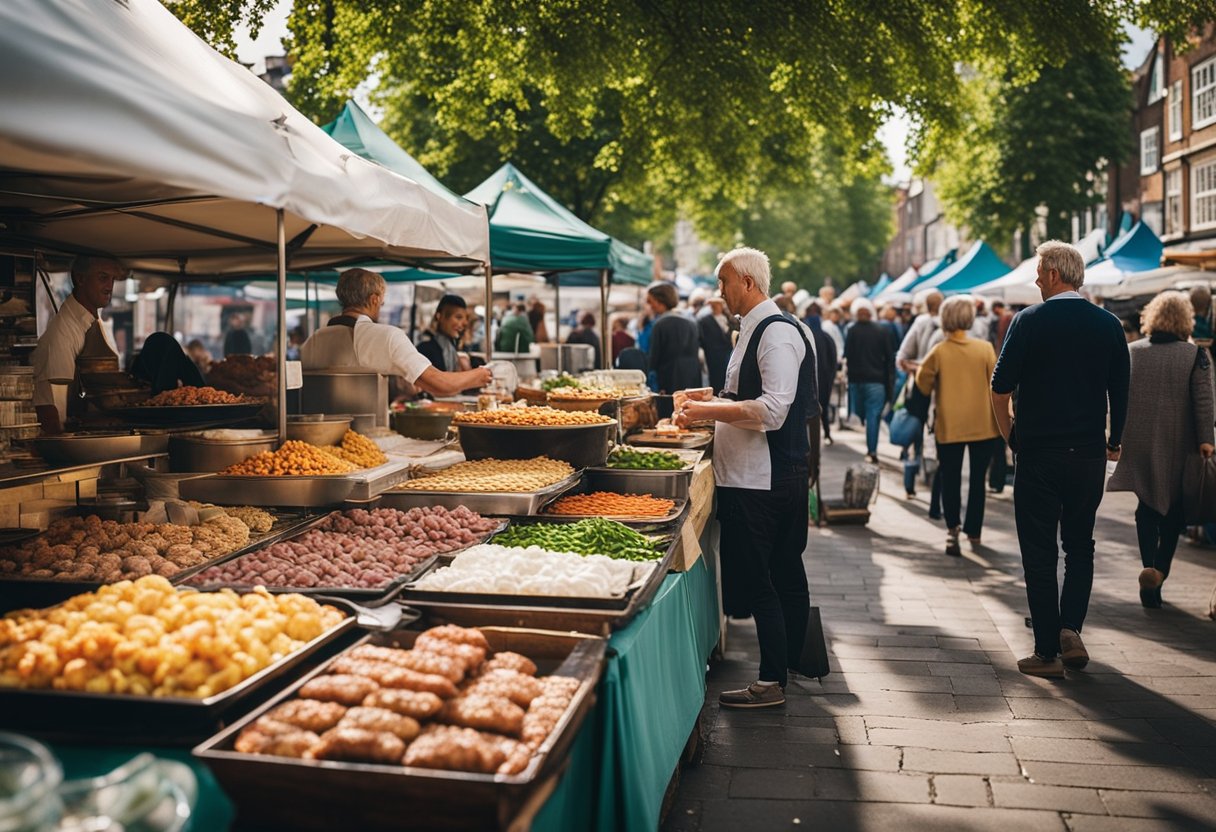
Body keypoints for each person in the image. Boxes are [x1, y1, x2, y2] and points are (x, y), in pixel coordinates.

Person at [676, 246, 817, 708]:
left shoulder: (774, 333)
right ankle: (792, 663)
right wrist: (712, 399)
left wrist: (709, 410)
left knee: (765, 581)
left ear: (748, 283)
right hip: (763, 475)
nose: (720, 293)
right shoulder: (762, 329)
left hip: (764, 479)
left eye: (724, 283)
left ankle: (773, 679)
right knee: (784, 574)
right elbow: (749, 396)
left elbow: (773, 411)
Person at [990, 241, 1129, 679]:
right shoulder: (1108, 324)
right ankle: (1071, 628)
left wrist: (1010, 435)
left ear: (1053, 274)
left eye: (1038, 272)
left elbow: (1000, 386)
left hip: (1039, 453)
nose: (1034, 280)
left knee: (1038, 551)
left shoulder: (1029, 321)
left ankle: (1046, 650)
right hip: (1087, 453)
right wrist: (1114, 441)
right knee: (1080, 545)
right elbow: (1120, 391)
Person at [1107, 291, 1215, 608]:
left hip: (1138, 440)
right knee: (1173, 512)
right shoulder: (1195, 355)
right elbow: (1204, 402)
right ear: (1185, 320)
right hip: (1180, 443)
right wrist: (1206, 439)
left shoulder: (1131, 352)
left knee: (1147, 506)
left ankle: (1148, 568)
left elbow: (1117, 397)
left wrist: (1115, 437)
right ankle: (1159, 572)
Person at [301, 268, 490, 397]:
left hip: (316, 444)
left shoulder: (313, 340)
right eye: (381, 303)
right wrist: (479, 375)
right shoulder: (386, 336)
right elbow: (440, 384)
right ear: (374, 300)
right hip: (367, 441)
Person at [915, 295, 999, 557]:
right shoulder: (984, 348)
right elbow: (996, 385)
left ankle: (952, 529)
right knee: (978, 479)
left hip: (949, 425)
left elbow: (922, 383)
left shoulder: (939, 351)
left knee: (950, 478)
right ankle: (974, 528)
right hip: (983, 424)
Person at [844, 298, 893, 463]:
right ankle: (872, 450)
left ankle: (871, 447)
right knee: (873, 416)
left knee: (863, 414)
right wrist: (890, 384)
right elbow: (889, 358)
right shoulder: (882, 330)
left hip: (857, 380)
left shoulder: (851, 331)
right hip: (876, 380)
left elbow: (847, 355)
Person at [646, 282, 701, 394]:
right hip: (693, 377)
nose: (650, 305)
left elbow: (654, 359)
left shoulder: (660, 324)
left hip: (670, 379)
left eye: (651, 301)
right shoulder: (691, 322)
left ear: (659, 300)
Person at [803, 302, 838, 445]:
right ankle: (827, 434)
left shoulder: (803, 335)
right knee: (823, 406)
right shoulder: (826, 337)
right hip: (824, 380)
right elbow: (833, 360)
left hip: (808, 382)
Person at [417, 294, 472, 373]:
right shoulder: (424, 350)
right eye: (458, 317)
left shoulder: (452, 348)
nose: (465, 323)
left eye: (466, 318)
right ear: (439, 316)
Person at [698, 295, 732, 393]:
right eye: (713, 305)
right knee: (716, 381)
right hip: (713, 357)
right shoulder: (704, 320)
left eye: (718, 304)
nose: (716, 307)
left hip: (728, 355)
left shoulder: (728, 318)